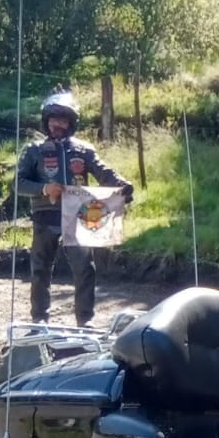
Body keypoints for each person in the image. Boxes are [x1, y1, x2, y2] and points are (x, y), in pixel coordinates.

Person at [16, 90, 134, 328]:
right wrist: (45, 188)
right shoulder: (34, 150)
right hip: (44, 216)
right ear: (45, 121)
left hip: (79, 216)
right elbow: (18, 184)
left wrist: (122, 185)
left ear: (71, 123)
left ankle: (85, 320)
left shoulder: (83, 150)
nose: (57, 124)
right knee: (41, 269)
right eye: (53, 119)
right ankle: (40, 320)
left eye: (63, 119)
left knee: (84, 268)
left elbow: (104, 172)